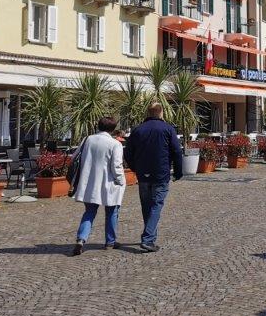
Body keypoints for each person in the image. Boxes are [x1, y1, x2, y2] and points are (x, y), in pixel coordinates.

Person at [125, 102, 183, 252]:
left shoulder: (138, 130)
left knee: (146, 205)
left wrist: (135, 168)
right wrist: (178, 172)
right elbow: (177, 151)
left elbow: (128, 152)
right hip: (161, 173)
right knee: (156, 205)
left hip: (143, 174)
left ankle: (150, 237)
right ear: (161, 112)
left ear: (148, 113)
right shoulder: (168, 129)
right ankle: (148, 239)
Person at [71, 117, 127, 255]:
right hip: (109, 183)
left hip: (89, 182)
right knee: (112, 212)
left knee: (89, 212)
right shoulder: (115, 144)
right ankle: (110, 241)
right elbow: (117, 166)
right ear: (113, 129)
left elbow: (74, 158)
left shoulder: (87, 140)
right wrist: (121, 181)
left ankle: (81, 239)